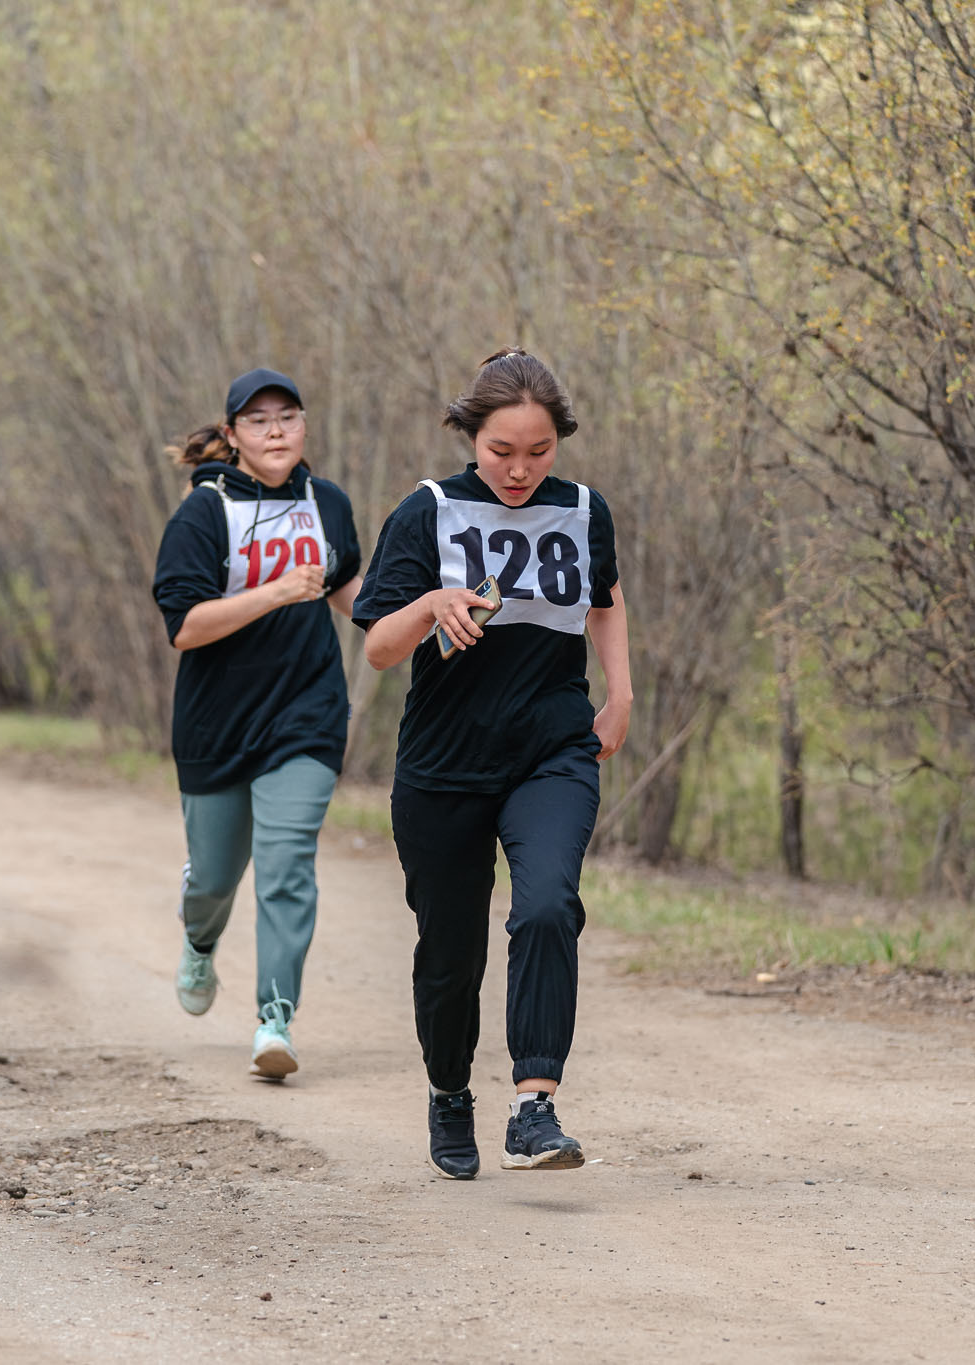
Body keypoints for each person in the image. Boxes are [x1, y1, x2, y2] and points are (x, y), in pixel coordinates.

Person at [352, 348, 631, 1179]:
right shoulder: (428, 511)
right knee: (451, 952)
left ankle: (533, 1106)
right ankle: (448, 1091)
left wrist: (620, 693)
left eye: (538, 451)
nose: (519, 469)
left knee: (547, 905)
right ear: (470, 434)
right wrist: (431, 602)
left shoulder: (584, 510)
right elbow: (375, 648)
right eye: (502, 450)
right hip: (444, 764)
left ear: (560, 442)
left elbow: (604, 600)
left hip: (551, 747)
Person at [150, 368, 364, 1079]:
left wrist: (427, 618)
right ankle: (199, 938)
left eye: (288, 417)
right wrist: (274, 592)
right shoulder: (204, 513)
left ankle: (276, 1019)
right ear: (234, 433)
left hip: (306, 714)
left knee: (286, 865)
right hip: (218, 721)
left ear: (304, 426)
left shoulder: (326, 502)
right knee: (215, 876)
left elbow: (351, 593)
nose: (276, 431)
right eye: (259, 420)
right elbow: (185, 627)